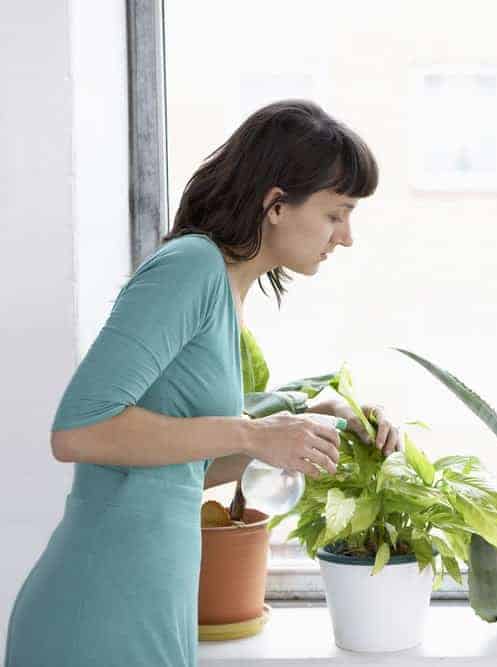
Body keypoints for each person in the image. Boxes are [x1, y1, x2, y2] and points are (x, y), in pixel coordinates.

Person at [4, 100, 399, 667]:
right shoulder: (190, 267)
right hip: (100, 605)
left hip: (150, 598)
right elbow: (79, 431)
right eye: (337, 213)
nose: (346, 237)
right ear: (277, 204)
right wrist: (254, 433)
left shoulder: (227, 294)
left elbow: (185, 464)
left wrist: (320, 425)